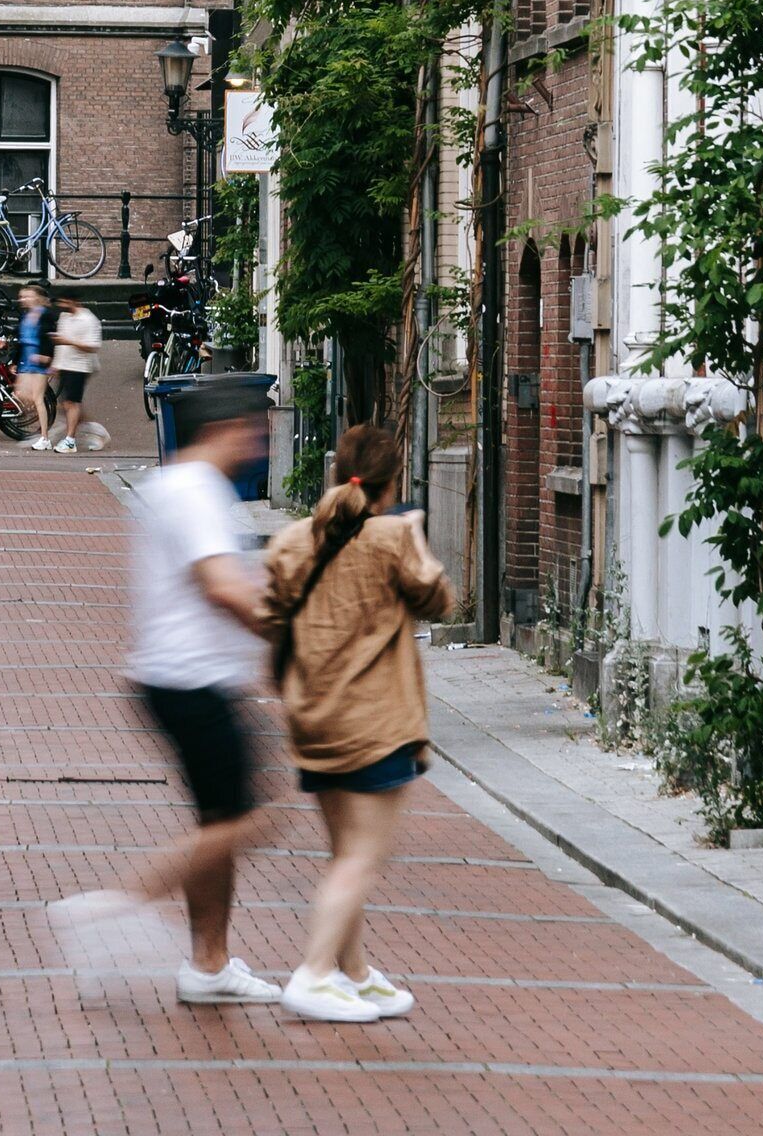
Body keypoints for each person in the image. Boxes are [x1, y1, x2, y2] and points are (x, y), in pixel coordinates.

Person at [46, 395, 285, 1005]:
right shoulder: (199, 491)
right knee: (253, 820)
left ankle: (209, 965)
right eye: (253, 435)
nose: (257, 448)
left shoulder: (172, 484)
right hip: (191, 680)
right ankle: (115, 907)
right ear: (225, 429)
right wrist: (293, 635)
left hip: (173, 675)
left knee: (221, 820)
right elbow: (222, 586)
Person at [256, 420, 453, 1023]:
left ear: (338, 472)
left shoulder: (292, 540)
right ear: (393, 485)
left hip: (314, 718)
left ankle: (355, 973)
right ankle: (314, 973)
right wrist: (414, 538)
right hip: (375, 722)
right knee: (363, 857)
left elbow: (267, 618)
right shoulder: (392, 538)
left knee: (345, 852)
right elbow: (439, 601)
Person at [48, 295, 105, 451]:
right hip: (65, 364)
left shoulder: (88, 320)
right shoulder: (64, 317)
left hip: (80, 366)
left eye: (65, 301)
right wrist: (57, 365)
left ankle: (70, 440)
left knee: (72, 403)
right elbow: (60, 344)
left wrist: (69, 341)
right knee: (66, 404)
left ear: (74, 301)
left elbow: (93, 346)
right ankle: (96, 431)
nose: (62, 305)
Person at [12, 283, 60, 449]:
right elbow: (20, 340)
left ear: (37, 297)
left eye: (27, 296)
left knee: (38, 398)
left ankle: (45, 438)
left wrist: (48, 357)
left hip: (39, 360)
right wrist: (14, 361)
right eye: (22, 296)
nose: (24, 299)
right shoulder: (24, 316)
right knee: (19, 394)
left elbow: (50, 337)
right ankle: (47, 423)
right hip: (25, 358)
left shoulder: (46, 315)